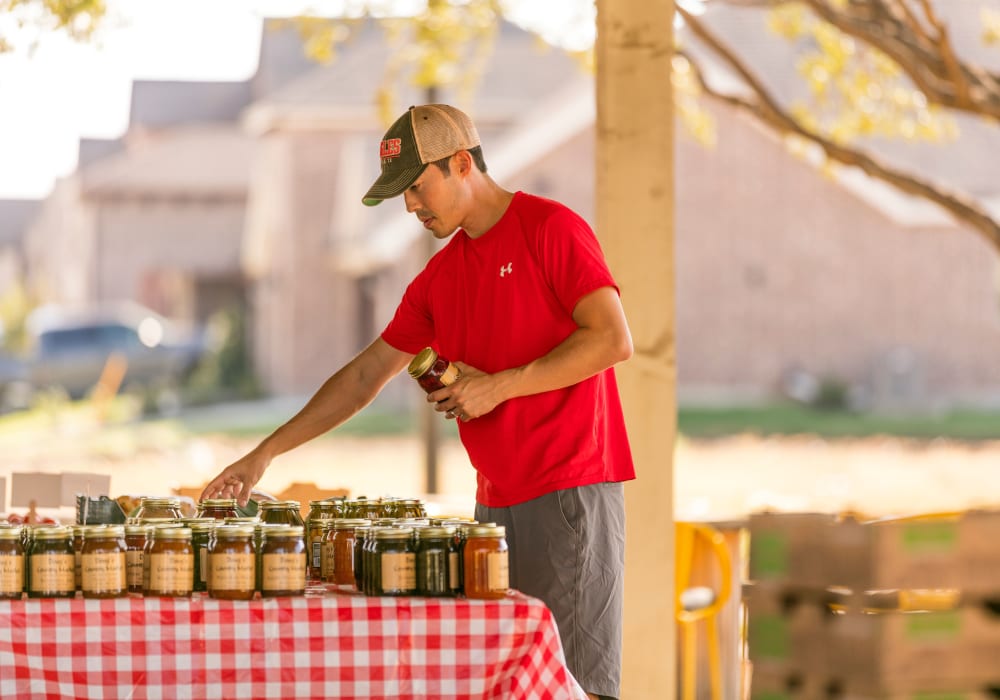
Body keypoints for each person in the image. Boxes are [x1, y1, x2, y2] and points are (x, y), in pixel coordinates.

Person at [200, 103, 636, 700]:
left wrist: (498, 384)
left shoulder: (550, 228)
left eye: (416, 186)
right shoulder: (439, 278)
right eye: (399, 194)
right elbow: (363, 378)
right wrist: (263, 455)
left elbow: (613, 339)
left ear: (462, 163)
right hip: (494, 509)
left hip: (570, 494)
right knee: (509, 686)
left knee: (577, 688)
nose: (409, 206)